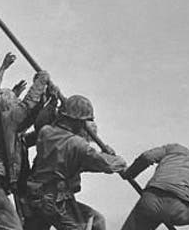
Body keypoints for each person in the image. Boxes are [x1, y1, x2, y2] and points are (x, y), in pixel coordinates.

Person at [23, 95, 127, 230]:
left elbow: (77, 163)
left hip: (36, 196)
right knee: (92, 223)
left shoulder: (46, 132)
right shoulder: (77, 144)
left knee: (96, 220)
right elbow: (106, 164)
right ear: (78, 121)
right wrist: (117, 160)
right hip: (54, 201)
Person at [0, 52, 51, 230]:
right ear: (7, 107)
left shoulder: (0, 127)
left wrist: (47, 100)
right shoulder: (6, 120)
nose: (18, 103)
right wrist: (41, 81)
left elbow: (29, 123)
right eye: (14, 102)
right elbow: (26, 108)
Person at [119, 139, 189, 230]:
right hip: (176, 210)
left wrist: (129, 173)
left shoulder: (174, 149)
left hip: (149, 202)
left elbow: (147, 157)